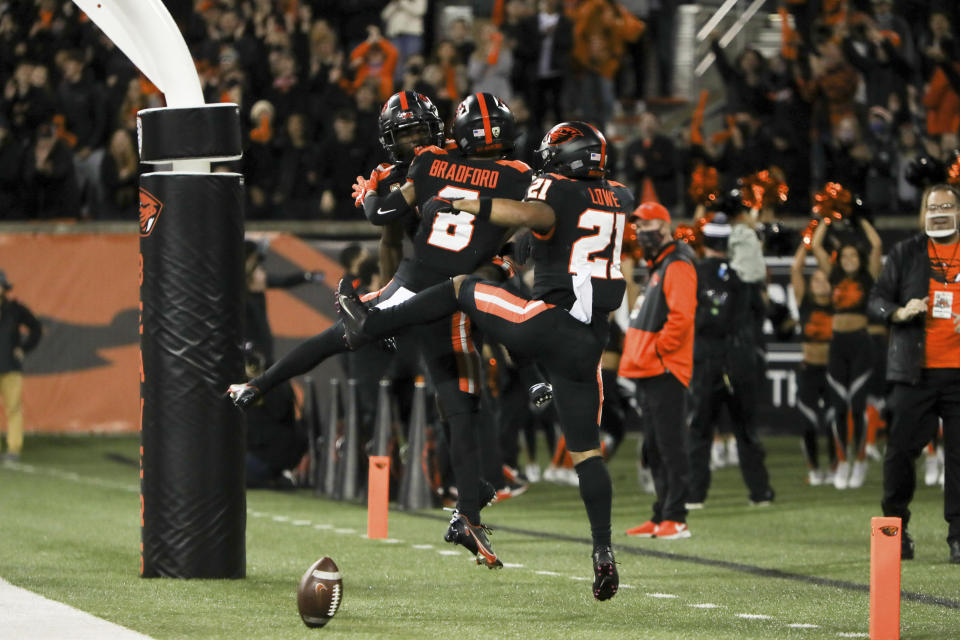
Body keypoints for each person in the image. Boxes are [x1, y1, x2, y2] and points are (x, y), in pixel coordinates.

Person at [229, 92, 532, 570]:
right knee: (461, 398)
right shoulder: (515, 175)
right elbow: (525, 230)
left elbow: (384, 216)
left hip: (423, 283)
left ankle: (470, 502)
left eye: (419, 132)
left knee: (455, 398)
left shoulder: (430, 163)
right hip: (451, 293)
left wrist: (371, 194)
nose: (414, 141)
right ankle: (469, 504)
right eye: (405, 133)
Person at [337, 121, 629, 601]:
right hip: (588, 346)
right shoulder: (620, 197)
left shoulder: (557, 190)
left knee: (460, 289)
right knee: (587, 454)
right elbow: (549, 230)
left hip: (546, 323)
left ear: (569, 157)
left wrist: (465, 200)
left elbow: (526, 211)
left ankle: (370, 324)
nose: (545, 159)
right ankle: (603, 552)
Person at [869, 183, 960, 563]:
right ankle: (895, 531)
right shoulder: (906, 253)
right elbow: (875, 300)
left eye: (947, 205)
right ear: (922, 212)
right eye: (932, 205)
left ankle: (958, 537)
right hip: (913, 371)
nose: (939, 211)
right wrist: (900, 312)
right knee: (900, 454)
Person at [685, 214, 775, 509]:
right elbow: (761, 313)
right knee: (746, 429)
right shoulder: (742, 278)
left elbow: (688, 318)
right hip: (739, 359)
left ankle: (695, 495)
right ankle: (760, 493)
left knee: (700, 430)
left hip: (707, 359)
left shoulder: (694, 273)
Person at [619, 202, 697, 539]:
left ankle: (676, 517)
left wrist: (658, 351)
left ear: (664, 227)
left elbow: (681, 317)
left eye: (646, 225)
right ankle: (661, 513)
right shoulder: (661, 265)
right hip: (650, 368)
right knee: (654, 448)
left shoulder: (677, 264)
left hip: (664, 369)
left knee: (670, 446)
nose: (640, 231)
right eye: (637, 225)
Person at [811, 214, 883, 489]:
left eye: (854, 255)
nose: (850, 259)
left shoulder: (868, 276)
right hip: (838, 345)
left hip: (861, 344)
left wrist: (860, 216)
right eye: (845, 256)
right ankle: (843, 460)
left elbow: (876, 245)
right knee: (838, 407)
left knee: (857, 406)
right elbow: (817, 246)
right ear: (839, 259)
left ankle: (861, 459)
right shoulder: (835, 275)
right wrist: (827, 217)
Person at [791, 234, 837, 486]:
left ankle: (834, 466)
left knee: (832, 421)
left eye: (824, 279)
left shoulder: (836, 304)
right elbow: (795, 268)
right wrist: (807, 242)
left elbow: (832, 270)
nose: (819, 283)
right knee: (807, 422)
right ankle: (813, 469)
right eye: (815, 279)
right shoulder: (804, 302)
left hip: (831, 370)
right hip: (808, 369)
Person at [241, 343, 307, 490]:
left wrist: (261, 382)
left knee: (224, 470)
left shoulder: (275, 380)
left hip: (269, 455)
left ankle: (274, 479)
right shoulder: (239, 384)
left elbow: (281, 411)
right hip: (258, 452)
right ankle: (277, 479)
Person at [0, 271, 42, 462]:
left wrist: (24, 348)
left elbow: (36, 327)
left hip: (11, 368)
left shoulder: (15, 309)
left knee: (14, 408)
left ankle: (13, 449)